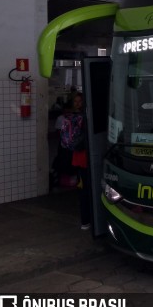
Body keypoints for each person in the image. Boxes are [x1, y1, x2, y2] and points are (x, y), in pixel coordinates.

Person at [61, 92, 90, 229]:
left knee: (83, 189)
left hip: (78, 158)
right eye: (76, 101)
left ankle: (86, 220)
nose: (78, 103)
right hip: (83, 158)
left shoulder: (68, 118)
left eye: (80, 101)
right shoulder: (83, 118)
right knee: (86, 190)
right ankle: (86, 220)